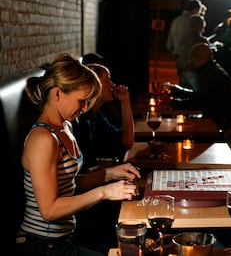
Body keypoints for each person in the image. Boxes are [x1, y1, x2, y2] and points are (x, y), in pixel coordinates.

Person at [16, 53, 141, 256]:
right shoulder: (42, 139)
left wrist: (110, 174)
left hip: (64, 239)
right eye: (82, 101)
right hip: (43, 246)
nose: (85, 108)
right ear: (58, 94)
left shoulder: (65, 126)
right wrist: (104, 192)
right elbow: (49, 210)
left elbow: (68, 184)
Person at [72, 63, 135, 253]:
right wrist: (106, 174)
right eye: (106, 80)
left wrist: (125, 102)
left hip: (90, 194)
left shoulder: (95, 115)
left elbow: (126, 142)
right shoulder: (76, 122)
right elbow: (73, 181)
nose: (112, 84)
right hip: (83, 211)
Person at [179, 42, 231, 130]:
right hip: (224, 118)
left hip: (217, 121)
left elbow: (198, 101)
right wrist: (177, 90)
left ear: (195, 58)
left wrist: (174, 103)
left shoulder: (206, 73)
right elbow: (199, 94)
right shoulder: (214, 68)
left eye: (190, 58)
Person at [166, 0, 206, 75]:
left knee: (182, 83)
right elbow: (198, 41)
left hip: (178, 59)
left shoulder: (175, 21)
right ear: (195, 9)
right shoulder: (194, 21)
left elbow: (169, 45)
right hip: (191, 60)